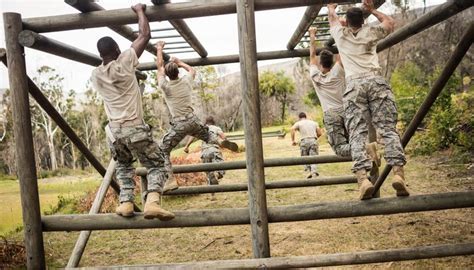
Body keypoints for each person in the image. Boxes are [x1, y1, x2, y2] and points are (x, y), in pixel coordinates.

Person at [91, 4, 174, 220]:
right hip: (134, 127)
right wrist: (139, 11)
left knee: (124, 165)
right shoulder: (125, 61)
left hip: (114, 133)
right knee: (157, 163)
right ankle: (153, 202)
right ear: (118, 50)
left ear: (101, 55)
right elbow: (144, 35)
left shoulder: (96, 75)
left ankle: (126, 203)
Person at [328, 0, 409, 200]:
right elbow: (389, 23)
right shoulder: (370, 32)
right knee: (388, 129)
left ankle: (363, 179)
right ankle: (398, 174)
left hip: (354, 85)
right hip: (375, 81)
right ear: (362, 22)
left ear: (346, 22)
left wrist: (331, 8)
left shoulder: (340, 35)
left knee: (356, 133)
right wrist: (372, 10)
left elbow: (332, 21)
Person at [155, 42, 238, 191]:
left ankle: (170, 179)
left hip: (179, 124)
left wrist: (159, 49)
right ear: (178, 72)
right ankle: (219, 141)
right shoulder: (186, 81)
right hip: (193, 120)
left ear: (167, 75)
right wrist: (180, 62)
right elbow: (192, 70)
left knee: (162, 150)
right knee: (207, 137)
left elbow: (159, 66)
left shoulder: (165, 86)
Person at [308, 26, 379, 163]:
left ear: (320, 63)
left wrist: (312, 35)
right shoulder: (338, 71)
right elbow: (342, 50)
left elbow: (312, 56)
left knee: (340, 149)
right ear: (332, 62)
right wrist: (340, 29)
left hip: (331, 113)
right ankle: (367, 157)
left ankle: (365, 149)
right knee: (354, 138)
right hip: (347, 110)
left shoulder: (315, 76)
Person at [183, 116, 227, 187]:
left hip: (204, 152)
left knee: (208, 173)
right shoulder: (216, 128)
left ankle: (212, 193)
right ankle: (217, 174)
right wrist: (225, 142)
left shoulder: (202, 129)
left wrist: (187, 146)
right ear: (213, 122)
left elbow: (193, 136)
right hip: (214, 150)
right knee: (221, 168)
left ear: (206, 122)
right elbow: (223, 137)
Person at [291, 112, 323, 178]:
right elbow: (319, 133)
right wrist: (314, 137)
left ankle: (309, 171)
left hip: (304, 141)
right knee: (313, 157)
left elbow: (292, 129)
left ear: (299, 118)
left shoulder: (298, 123)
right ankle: (313, 171)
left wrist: (293, 140)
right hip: (313, 140)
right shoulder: (314, 123)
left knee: (305, 157)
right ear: (306, 117)